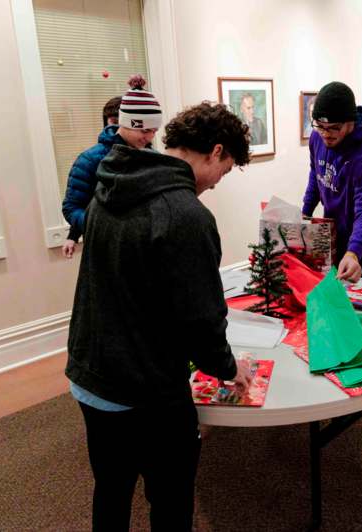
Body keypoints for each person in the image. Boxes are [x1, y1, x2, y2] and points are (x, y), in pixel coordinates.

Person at [66, 102, 253, 531]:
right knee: (170, 501)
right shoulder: (186, 215)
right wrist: (228, 367)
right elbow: (201, 318)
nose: (217, 183)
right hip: (144, 389)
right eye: (223, 172)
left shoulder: (109, 184)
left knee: (111, 489)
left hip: (91, 374)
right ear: (215, 151)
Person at [61, 75, 162, 258]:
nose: (149, 137)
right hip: (106, 251)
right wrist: (104, 228)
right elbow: (73, 206)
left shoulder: (153, 158)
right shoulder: (89, 160)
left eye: (153, 131)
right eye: (145, 130)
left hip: (147, 250)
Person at [303, 81, 362, 282]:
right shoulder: (317, 139)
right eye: (320, 126)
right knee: (333, 293)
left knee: (359, 300)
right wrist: (305, 214)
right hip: (335, 230)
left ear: (350, 123)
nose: (326, 134)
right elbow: (316, 175)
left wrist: (354, 253)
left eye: (334, 128)